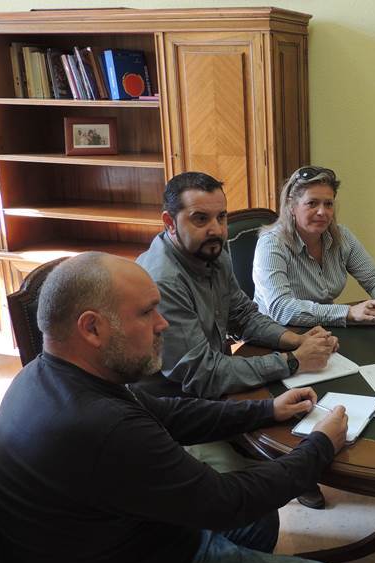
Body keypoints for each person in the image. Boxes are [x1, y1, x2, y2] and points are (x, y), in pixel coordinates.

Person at [0, 252, 349, 563]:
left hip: (120, 540)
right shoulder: (104, 427)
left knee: (260, 518)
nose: (162, 323)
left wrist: (267, 409)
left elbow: (170, 413)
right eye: (146, 312)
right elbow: (225, 501)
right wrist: (319, 445)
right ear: (92, 328)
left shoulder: (41, 374)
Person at [136, 171, 337, 509]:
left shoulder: (212, 253)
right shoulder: (162, 280)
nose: (216, 229)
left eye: (221, 217)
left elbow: (243, 315)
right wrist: (292, 361)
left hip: (214, 390)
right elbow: (202, 374)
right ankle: (283, 474)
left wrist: (295, 341)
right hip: (176, 410)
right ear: (170, 222)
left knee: (302, 404)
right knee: (243, 492)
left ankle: (291, 469)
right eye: (200, 218)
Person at [253, 165, 375, 326]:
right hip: (277, 333)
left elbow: (374, 278)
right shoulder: (272, 244)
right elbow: (281, 308)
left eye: (328, 204)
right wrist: (347, 313)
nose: (322, 212)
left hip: (322, 330)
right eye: (312, 203)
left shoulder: (342, 237)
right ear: (291, 206)